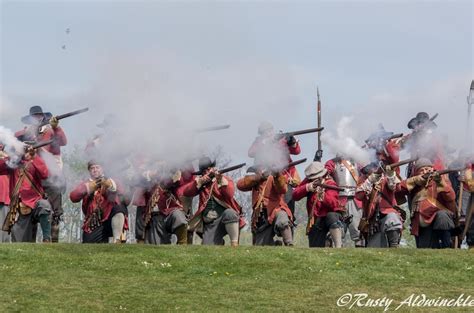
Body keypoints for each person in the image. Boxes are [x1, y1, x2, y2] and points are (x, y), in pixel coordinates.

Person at [16, 105, 68, 243]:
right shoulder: (24, 133)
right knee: (30, 209)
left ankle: (52, 241)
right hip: (33, 177)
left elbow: (63, 141)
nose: (37, 118)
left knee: (54, 212)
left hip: (51, 177)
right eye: (34, 116)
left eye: (39, 116)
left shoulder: (50, 131)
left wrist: (56, 127)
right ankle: (30, 243)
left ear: (43, 117)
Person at [183, 157, 243, 246]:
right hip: (210, 222)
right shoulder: (200, 183)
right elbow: (186, 192)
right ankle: (219, 241)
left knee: (230, 213)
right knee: (208, 246)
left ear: (212, 168)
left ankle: (234, 245)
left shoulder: (223, 179)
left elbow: (229, 194)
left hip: (224, 217)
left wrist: (220, 179)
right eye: (204, 171)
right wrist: (199, 182)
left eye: (208, 169)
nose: (207, 172)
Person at [399, 158, 456, 248]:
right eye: (422, 170)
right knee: (425, 248)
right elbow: (397, 190)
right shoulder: (414, 182)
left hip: (438, 217)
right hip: (421, 221)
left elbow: (451, 197)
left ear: (432, 169)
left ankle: (446, 246)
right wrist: (414, 181)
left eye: (427, 169)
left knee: (443, 216)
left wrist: (441, 183)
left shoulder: (441, 179)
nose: (425, 171)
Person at [0, 145, 51, 242]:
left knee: (44, 206)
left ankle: (47, 239)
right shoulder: (13, 163)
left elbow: (45, 174)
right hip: (19, 207)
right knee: (20, 243)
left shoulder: (35, 161)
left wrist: (34, 157)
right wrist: (14, 157)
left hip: (35, 202)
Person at [69, 160, 128, 243]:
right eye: (92, 168)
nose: (95, 170)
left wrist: (110, 185)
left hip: (111, 215)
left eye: (97, 167)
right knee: (89, 243)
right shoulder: (86, 183)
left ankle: (117, 239)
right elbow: (73, 197)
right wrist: (88, 187)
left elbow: (125, 196)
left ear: (102, 169)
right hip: (95, 219)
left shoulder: (111, 180)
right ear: (89, 171)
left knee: (118, 207)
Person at [237, 164, 293, 246]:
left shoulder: (274, 177)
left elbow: (283, 188)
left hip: (275, 210)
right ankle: (276, 245)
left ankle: (289, 243)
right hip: (261, 216)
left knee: (282, 219)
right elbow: (239, 185)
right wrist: (257, 177)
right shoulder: (255, 181)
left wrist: (277, 175)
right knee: (262, 246)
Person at [293, 162, 344, 248]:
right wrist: (307, 187)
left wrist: (322, 196)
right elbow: (295, 195)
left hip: (329, 218)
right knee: (315, 248)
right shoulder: (309, 181)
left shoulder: (330, 183)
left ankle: (338, 246)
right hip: (315, 219)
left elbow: (333, 204)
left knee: (331, 216)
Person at [356, 163, 404, 247]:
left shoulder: (386, 179)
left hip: (387, 213)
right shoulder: (366, 183)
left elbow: (394, 187)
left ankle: (394, 246)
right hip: (372, 221)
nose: (369, 172)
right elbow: (359, 195)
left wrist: (391, 174)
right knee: (374, 249)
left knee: (392, 218)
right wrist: (371, 179)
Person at [325, 155, 364, 247]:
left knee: (358, 229)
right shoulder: (332, 163)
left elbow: (365, 175)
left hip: (355, 199)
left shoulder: (358, 162)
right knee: (337, 228)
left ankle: (361, 253)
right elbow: (325, 174)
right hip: (338, 200)